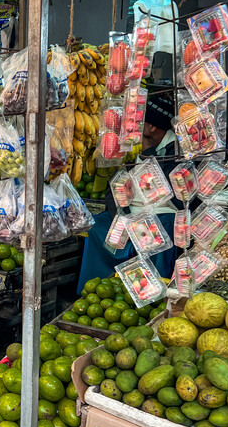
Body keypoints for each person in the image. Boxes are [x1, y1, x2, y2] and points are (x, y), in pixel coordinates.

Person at [76, 89, 179, 292]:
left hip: (163, 213)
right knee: (97, 228)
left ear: (151, 126)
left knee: (156, 236)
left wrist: (149, 153)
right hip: (131, 211)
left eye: (140, 124)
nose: (134, 128)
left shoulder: (176, 151)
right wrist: (119, 214)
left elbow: (173, 191)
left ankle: (150, 291)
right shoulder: (133, 147)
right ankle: (97, 288)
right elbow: (116, 185)